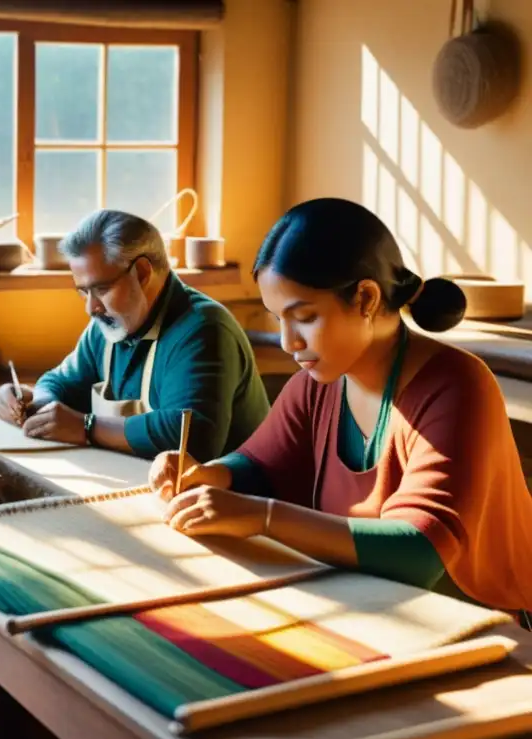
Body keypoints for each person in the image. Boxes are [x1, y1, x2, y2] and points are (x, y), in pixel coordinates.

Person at [149, 197, 532, 623]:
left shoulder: (458, 387)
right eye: (279, 319)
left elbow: (422, 551)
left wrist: (265, 517)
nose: (287, 341)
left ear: (366, 298)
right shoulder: (316, 386)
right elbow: (263, 465)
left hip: (481, 626)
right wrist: (208, 474)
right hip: (372, 605)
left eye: (305, 317)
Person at [0, 209, 270, 461]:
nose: (91, 307)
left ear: (141, 272)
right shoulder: (108, 325)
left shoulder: (203, 329)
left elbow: (191, 437)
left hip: (238, 504)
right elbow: (62, 381)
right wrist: (34, 402)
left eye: (101, 289)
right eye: (83, 291)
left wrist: (86, 428)